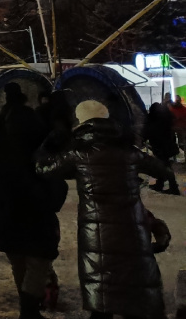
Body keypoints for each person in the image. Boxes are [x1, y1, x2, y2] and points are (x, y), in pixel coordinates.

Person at [37, 99, 172, 319]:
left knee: (102, 294)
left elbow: (43, 169)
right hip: (132, 231)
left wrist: (48, 145)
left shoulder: (79, 154)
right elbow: (164, 171)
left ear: (82, 122)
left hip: (97, 235)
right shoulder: (129, 151)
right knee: (136, 293)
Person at [0, 83, 66, 319]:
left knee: (18, 258)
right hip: (38, 208)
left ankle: (27, 305)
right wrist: (53, 197)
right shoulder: (39, 138)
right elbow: (54, 172)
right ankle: (29, 309)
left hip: (9, 206)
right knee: (38, 259)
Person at [143, 102, 180, 194]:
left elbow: (148, 131)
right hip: (167, 146)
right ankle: (161, 185)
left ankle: (173, 187)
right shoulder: (166, 118)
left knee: (165, 167)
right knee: (163, 165)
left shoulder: (153, 120)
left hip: (160, 147)